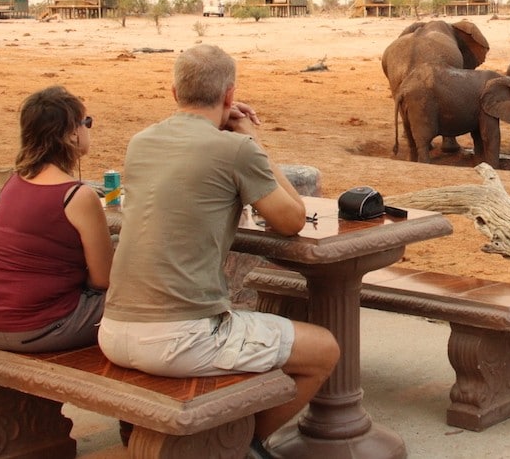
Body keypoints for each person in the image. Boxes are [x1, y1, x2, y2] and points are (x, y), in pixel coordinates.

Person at [98, 44, 339, 457]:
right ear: (230, 96)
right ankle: (239, 445)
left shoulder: (140, 143)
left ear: (173, 92)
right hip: (179, 339)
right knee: (323, 349)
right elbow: (292, 219)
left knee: (252, 329)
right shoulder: (236, 150)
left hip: (114, 330)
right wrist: (251, 138)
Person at [0, 86, 114, 352]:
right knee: (143, 299)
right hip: (42, 327)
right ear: (72, 132)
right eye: (87, 122)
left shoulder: (13, 182)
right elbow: (102, 280)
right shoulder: (77, 196)